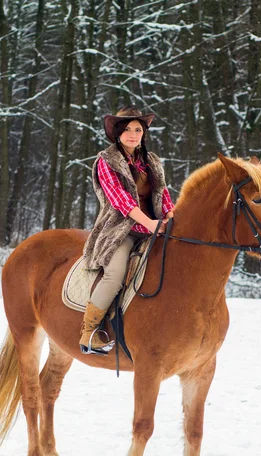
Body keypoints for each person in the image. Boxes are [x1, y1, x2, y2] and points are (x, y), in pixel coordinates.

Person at [80, 106, 175, 355]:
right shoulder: (106, 161)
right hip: (120, 229)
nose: (133, 134)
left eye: (138, 129)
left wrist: (171, 216)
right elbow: (121, 201)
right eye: (128, 130)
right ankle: (89, 331)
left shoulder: (151, 161)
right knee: (115, 275)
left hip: (155, 226)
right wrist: (149, 223)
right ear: (118, 133)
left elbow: (162, 193)